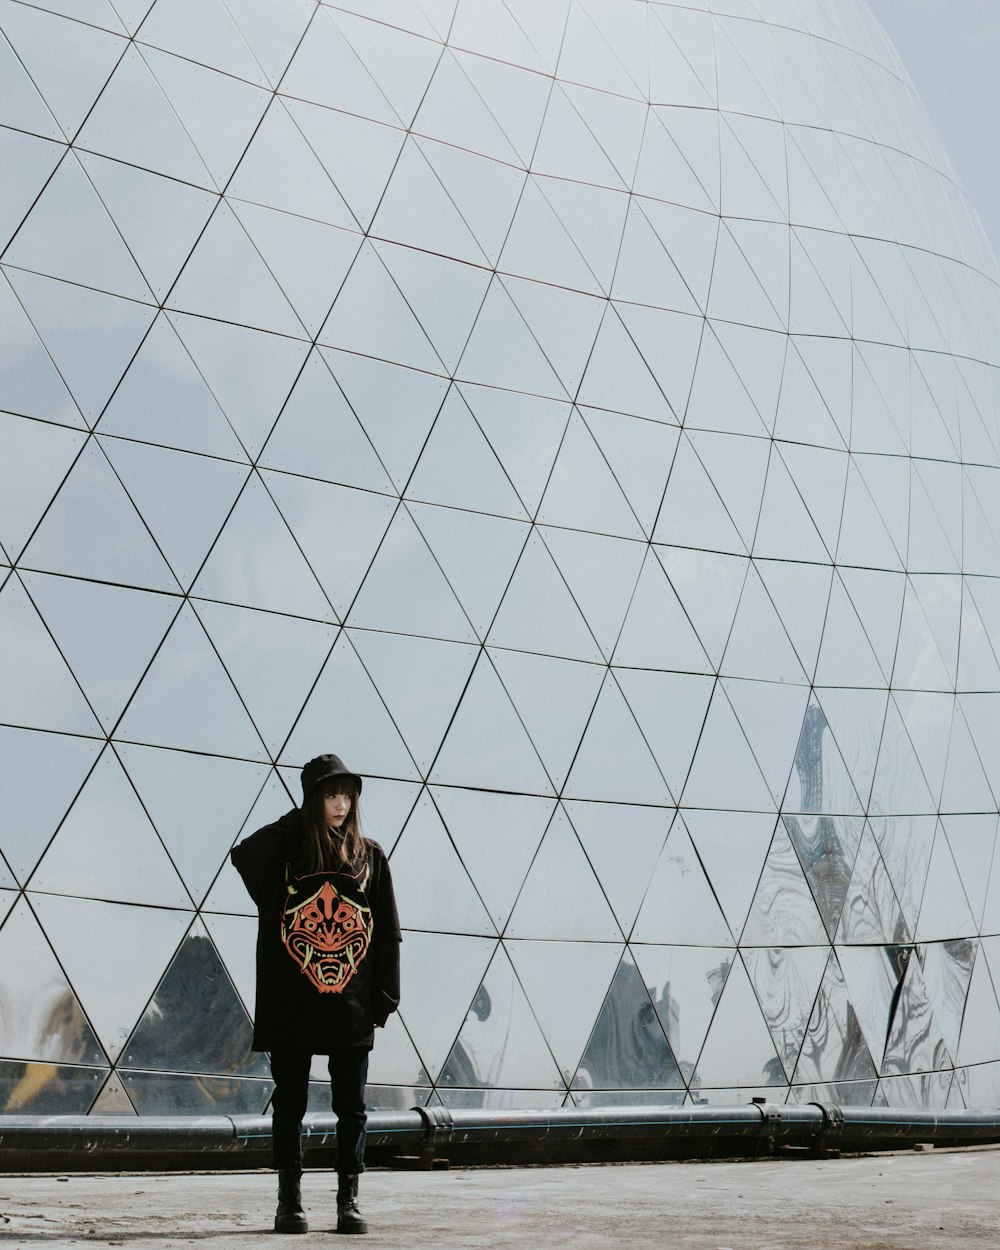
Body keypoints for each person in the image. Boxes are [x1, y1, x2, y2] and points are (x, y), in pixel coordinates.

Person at [231, 753, 401, 1236]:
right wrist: (298, 819)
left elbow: (387, 930)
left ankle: (349, 1201)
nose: (342, 804)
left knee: (352, 1107)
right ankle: (290, 1202)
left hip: (351, 1003)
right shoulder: (288, 852)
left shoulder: (370, 856)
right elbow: (244, 853)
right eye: (330, 794)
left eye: (347, 794)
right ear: (312, 799)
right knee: (290, 1103)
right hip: (293, 1002)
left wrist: (385, 997)